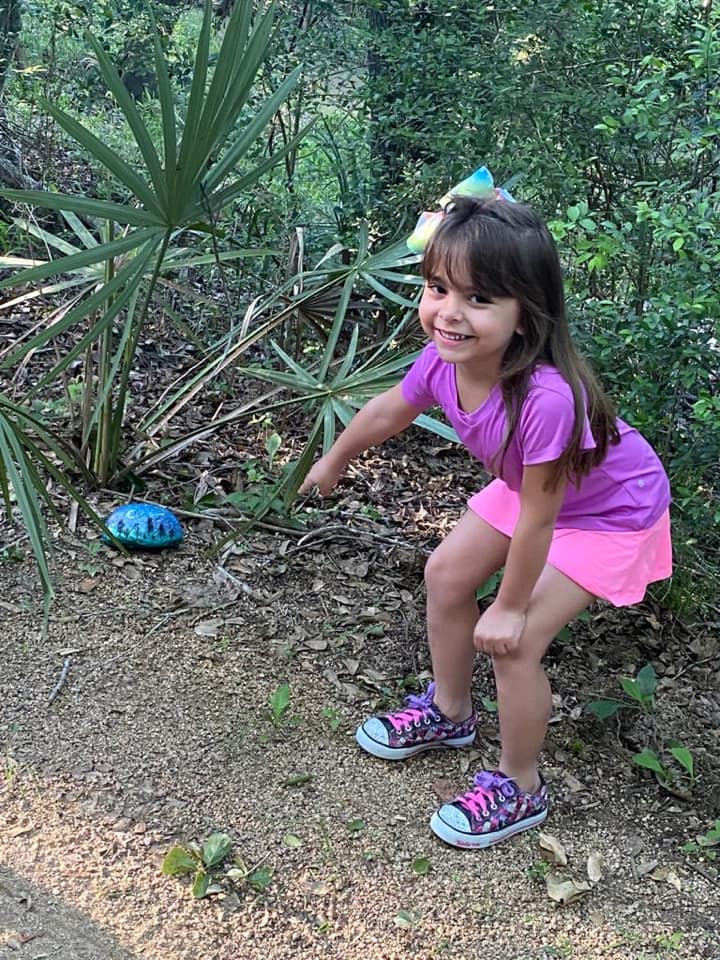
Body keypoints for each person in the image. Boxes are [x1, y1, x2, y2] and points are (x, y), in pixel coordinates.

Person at [298, 168, 672, 850]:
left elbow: (539, 518)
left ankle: (520, 785)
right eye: (438, 288)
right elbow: (390, 407)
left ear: (526, 311)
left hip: (611, 509)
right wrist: (337, 457)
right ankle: (449, 711)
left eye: (478, 298)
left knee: (517, 638)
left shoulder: (548, 398)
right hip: (535, 484)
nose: (448, 312)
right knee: (445, 576)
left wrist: (508, 603)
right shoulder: (444, 359)